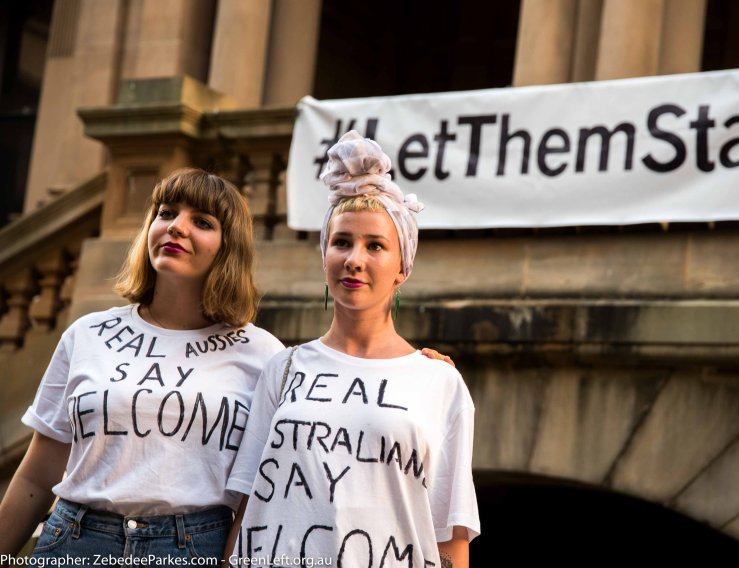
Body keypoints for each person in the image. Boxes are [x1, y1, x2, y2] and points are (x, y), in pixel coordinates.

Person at [0, 169, 285, 563]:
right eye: (166, 213)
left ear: (228, 247)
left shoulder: (262, 353)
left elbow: (258, 496)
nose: (177, 228)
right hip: (75, 544)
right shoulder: (87, 334)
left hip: (193, 548)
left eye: (202, 222)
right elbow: (36, 475)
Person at [225, 131, 480, 568]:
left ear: (403, 266)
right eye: (342, 242)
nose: (354, 259)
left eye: (375, 245)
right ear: (325, 255)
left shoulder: (439, 381)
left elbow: (450, 536)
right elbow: (249, 504)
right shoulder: (283, 368)